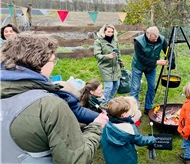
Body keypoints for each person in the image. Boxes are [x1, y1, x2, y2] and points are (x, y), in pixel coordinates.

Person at [1, 34, 109, 163]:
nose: (53, 65)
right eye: (52, 60)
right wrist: (96, 127)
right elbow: (75, 160)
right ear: (40, 63)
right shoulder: (50, 106)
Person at [100, 96, 156, 164]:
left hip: (110, 158)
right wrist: (152, 139)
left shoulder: (105, 124)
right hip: (127, 160)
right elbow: (140, 140)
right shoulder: (129, 129)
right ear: (124, 114)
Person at [130, 26, 169, 114]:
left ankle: (148, 107)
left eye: (156, 38)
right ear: (147, 35)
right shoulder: (139, 41)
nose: (155, 40)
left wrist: (172, 60)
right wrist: (157, 62)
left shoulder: (161, 39)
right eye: (153, 39)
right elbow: (141, 58)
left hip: (151, 68)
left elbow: (168, 50)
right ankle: (133, 110)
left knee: (152, 87)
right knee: (135, 88)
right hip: (138, 66)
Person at [94, 24, 125, 105]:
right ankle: (102, 104)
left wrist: (121, 63)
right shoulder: (98, 42)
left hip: (115, 66)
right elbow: (97, 55)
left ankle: (109, 101)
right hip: (105, 67)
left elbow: (119, 53)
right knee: (109, 87)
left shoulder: (115, 40)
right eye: (108, 32)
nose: (110, 33)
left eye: (112, 32)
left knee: (116, 86)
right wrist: (108, 56)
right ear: (104, 31)